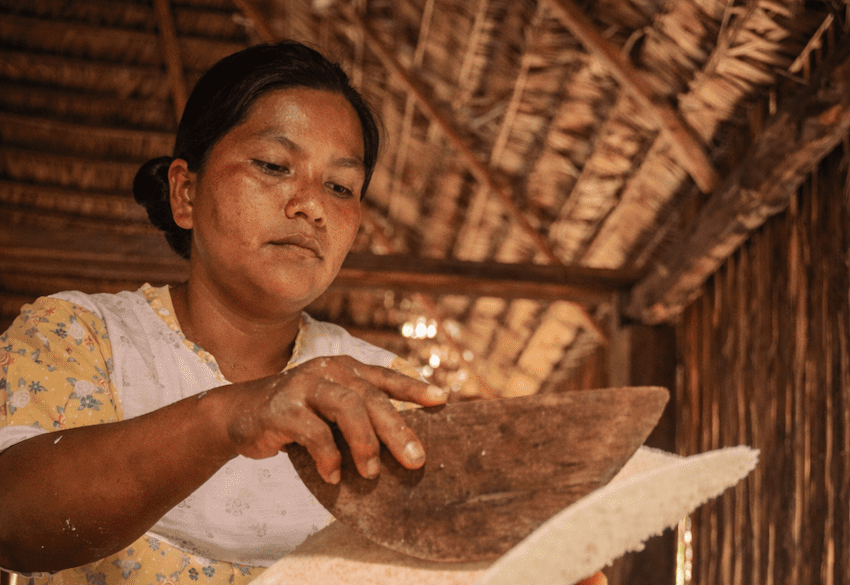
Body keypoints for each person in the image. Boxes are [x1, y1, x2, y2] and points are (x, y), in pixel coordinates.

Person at [0, 41, 448, 583]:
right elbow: (12, 521)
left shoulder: (388, 392)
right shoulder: (77, 336)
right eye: (274, 165)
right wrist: (231, 417)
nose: (311, 205)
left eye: (340, 186)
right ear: (186, 192)